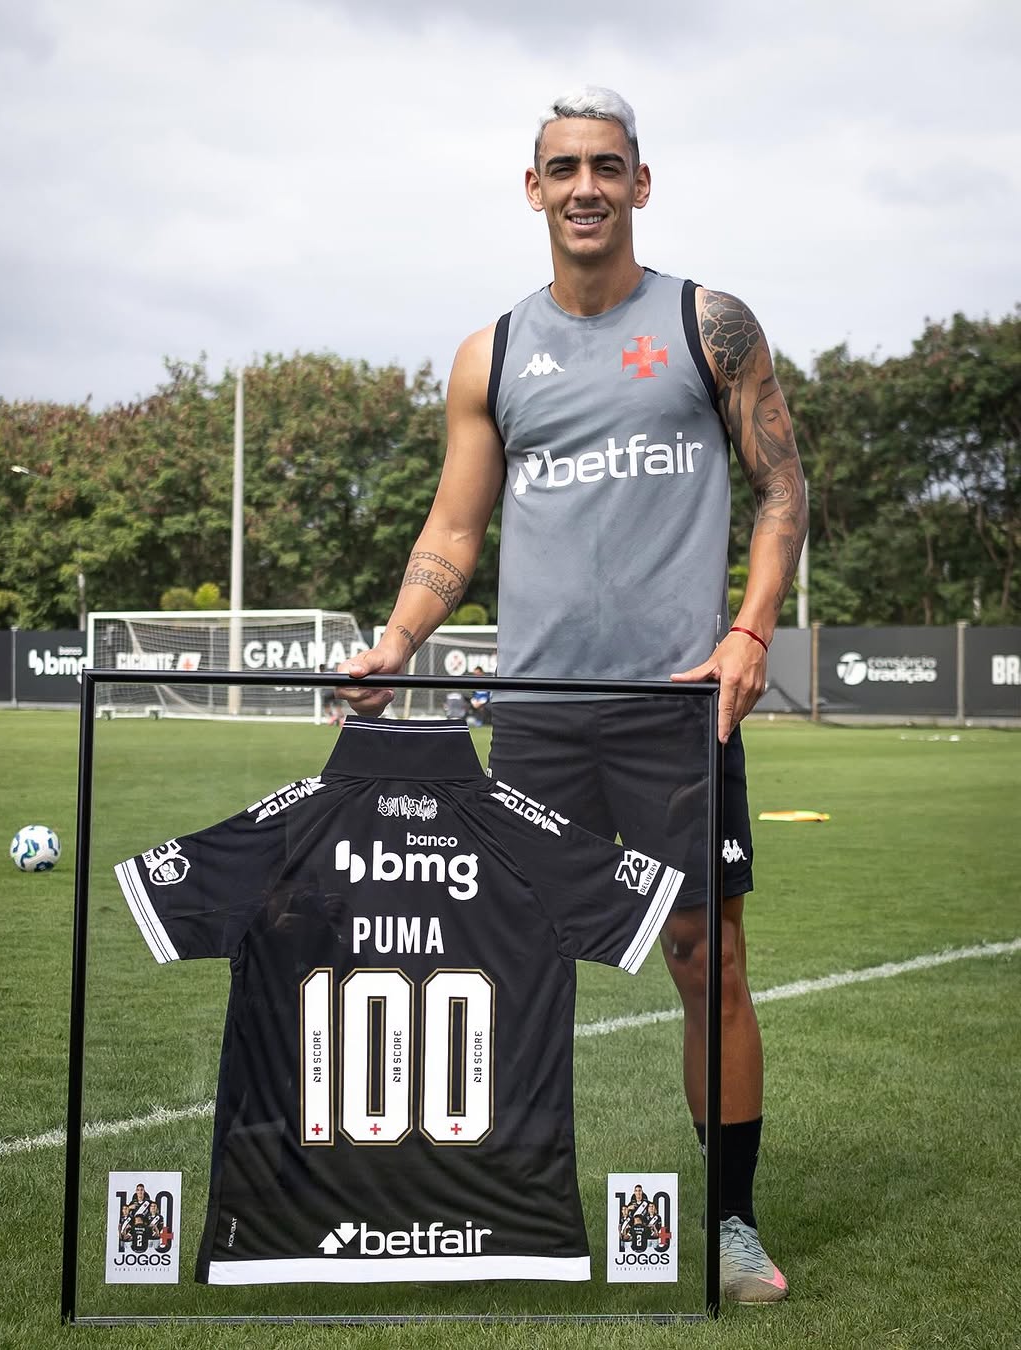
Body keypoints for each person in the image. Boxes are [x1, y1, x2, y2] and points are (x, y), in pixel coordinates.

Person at [341, 85, 807, 1303]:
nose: (586, 187)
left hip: (677, 707)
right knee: (512, 964)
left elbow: (781, 486)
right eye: (564, 168)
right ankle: (493, 1208)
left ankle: (730, 1225)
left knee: (707, 958)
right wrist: (396, 640)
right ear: (534, 189)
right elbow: (454, 528)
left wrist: (750, 630)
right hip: (537, 711)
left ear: (640, 184)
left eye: (607, 166)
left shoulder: (711, 324)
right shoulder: (491, 353)